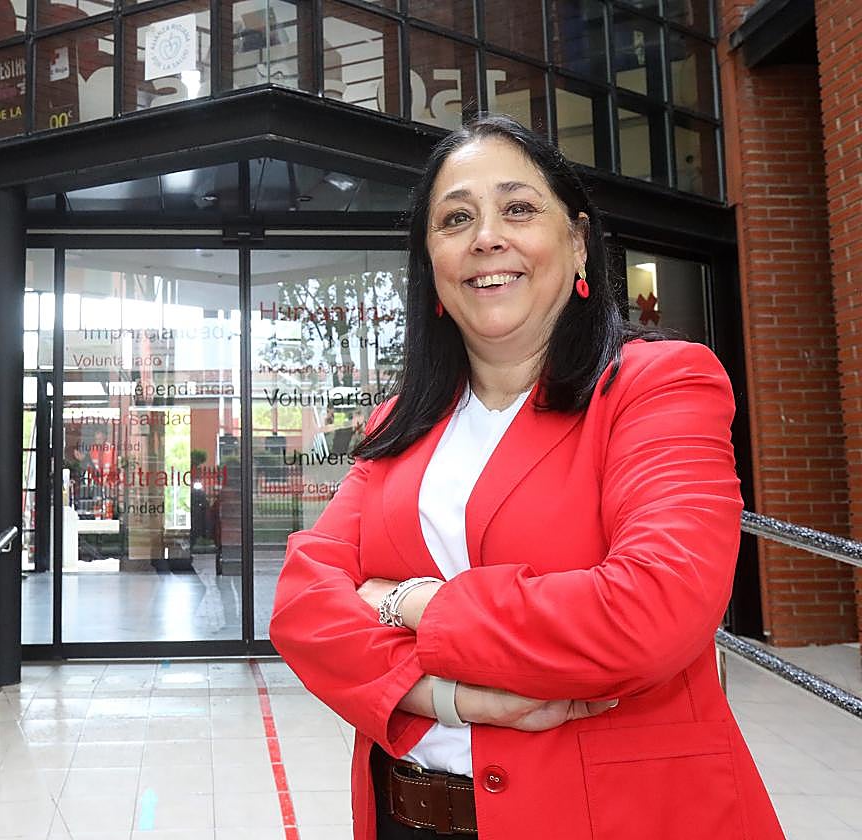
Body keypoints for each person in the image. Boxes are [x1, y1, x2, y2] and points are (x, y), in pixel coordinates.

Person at [269, 114, 785, 840]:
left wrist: (411, 602)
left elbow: (651, 613)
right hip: (407, 819)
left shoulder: (658, 385)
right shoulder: (400, 423)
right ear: (432, 268)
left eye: (517, 208)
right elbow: (302, 606)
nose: (486, 237)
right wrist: (447, 698)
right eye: (456, 219)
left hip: (613, 820)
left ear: (577, 243)